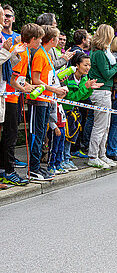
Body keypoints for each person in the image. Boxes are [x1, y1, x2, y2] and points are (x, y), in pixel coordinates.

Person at [0, 23, 44, 186]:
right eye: (39, 40)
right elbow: (12, 79)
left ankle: (4, 169)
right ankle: (9, 171)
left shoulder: (24, 49)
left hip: (14, 95)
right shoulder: (21, 51)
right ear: (32, 39)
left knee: (9, 135)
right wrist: (25, 89)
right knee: (10, 136)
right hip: (10, 98)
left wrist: (25, 86)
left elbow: (19, 78)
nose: (40, 43)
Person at [27, 25, 68, 181]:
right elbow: (36, 80)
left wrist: (57, 88)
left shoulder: (46, 55)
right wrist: (54, 90)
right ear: (52, 40)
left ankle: (37, 167)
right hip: (38, 100)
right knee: (36, 135)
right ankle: (33, 169)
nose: (59, 41)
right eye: (58, 38)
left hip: (46, 100)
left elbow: (47, 78)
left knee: (42, 134)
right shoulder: (39, 55)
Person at [87, 24, 117, 169]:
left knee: (105, 126)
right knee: (100, 126)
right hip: (101, 91)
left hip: (106, 91)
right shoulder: (99, 53)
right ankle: (93, 155)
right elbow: (106, 74)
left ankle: (102, 154)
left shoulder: (103, 52)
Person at [61, 52, 103, 170]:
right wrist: (86, 88)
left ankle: (67, 158)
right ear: (77, 65)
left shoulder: (84, 77)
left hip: (73, 111)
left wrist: (88, 90)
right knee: (62, 136)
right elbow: (71, 97)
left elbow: (82, 97)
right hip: (63, 110)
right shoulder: (67, 77)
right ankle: (61, 160)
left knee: (71, 136)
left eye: (89, 65)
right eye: (85, 65)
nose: (88, 68)